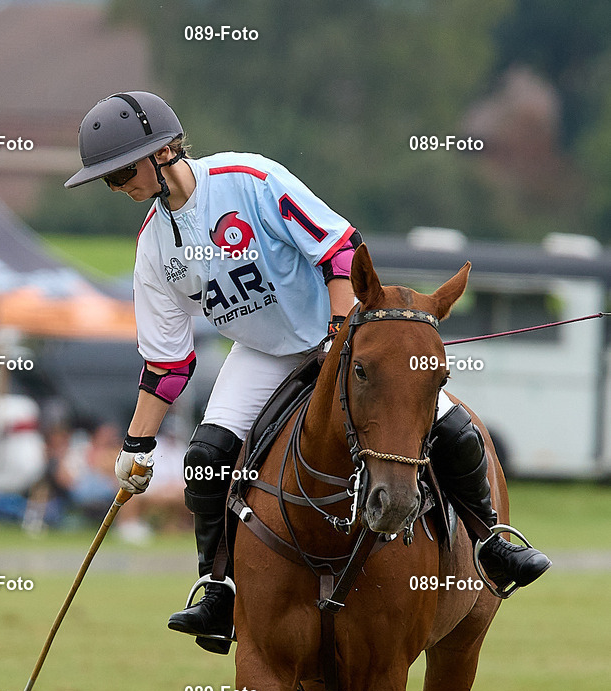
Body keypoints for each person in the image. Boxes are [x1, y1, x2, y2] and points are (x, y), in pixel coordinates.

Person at [65, 91, 550, 653]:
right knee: (204, 458)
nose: (116, 186)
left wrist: (342, 332)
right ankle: (216, 587)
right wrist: (138, 445)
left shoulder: (249, 179)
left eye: (121, 171)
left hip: (335, 329)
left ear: (163, 152)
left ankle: (491, 539)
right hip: (262, 352)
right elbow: (169, 362)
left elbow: (340, 249)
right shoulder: (152, 248)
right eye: (107, 179)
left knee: (448, 425)